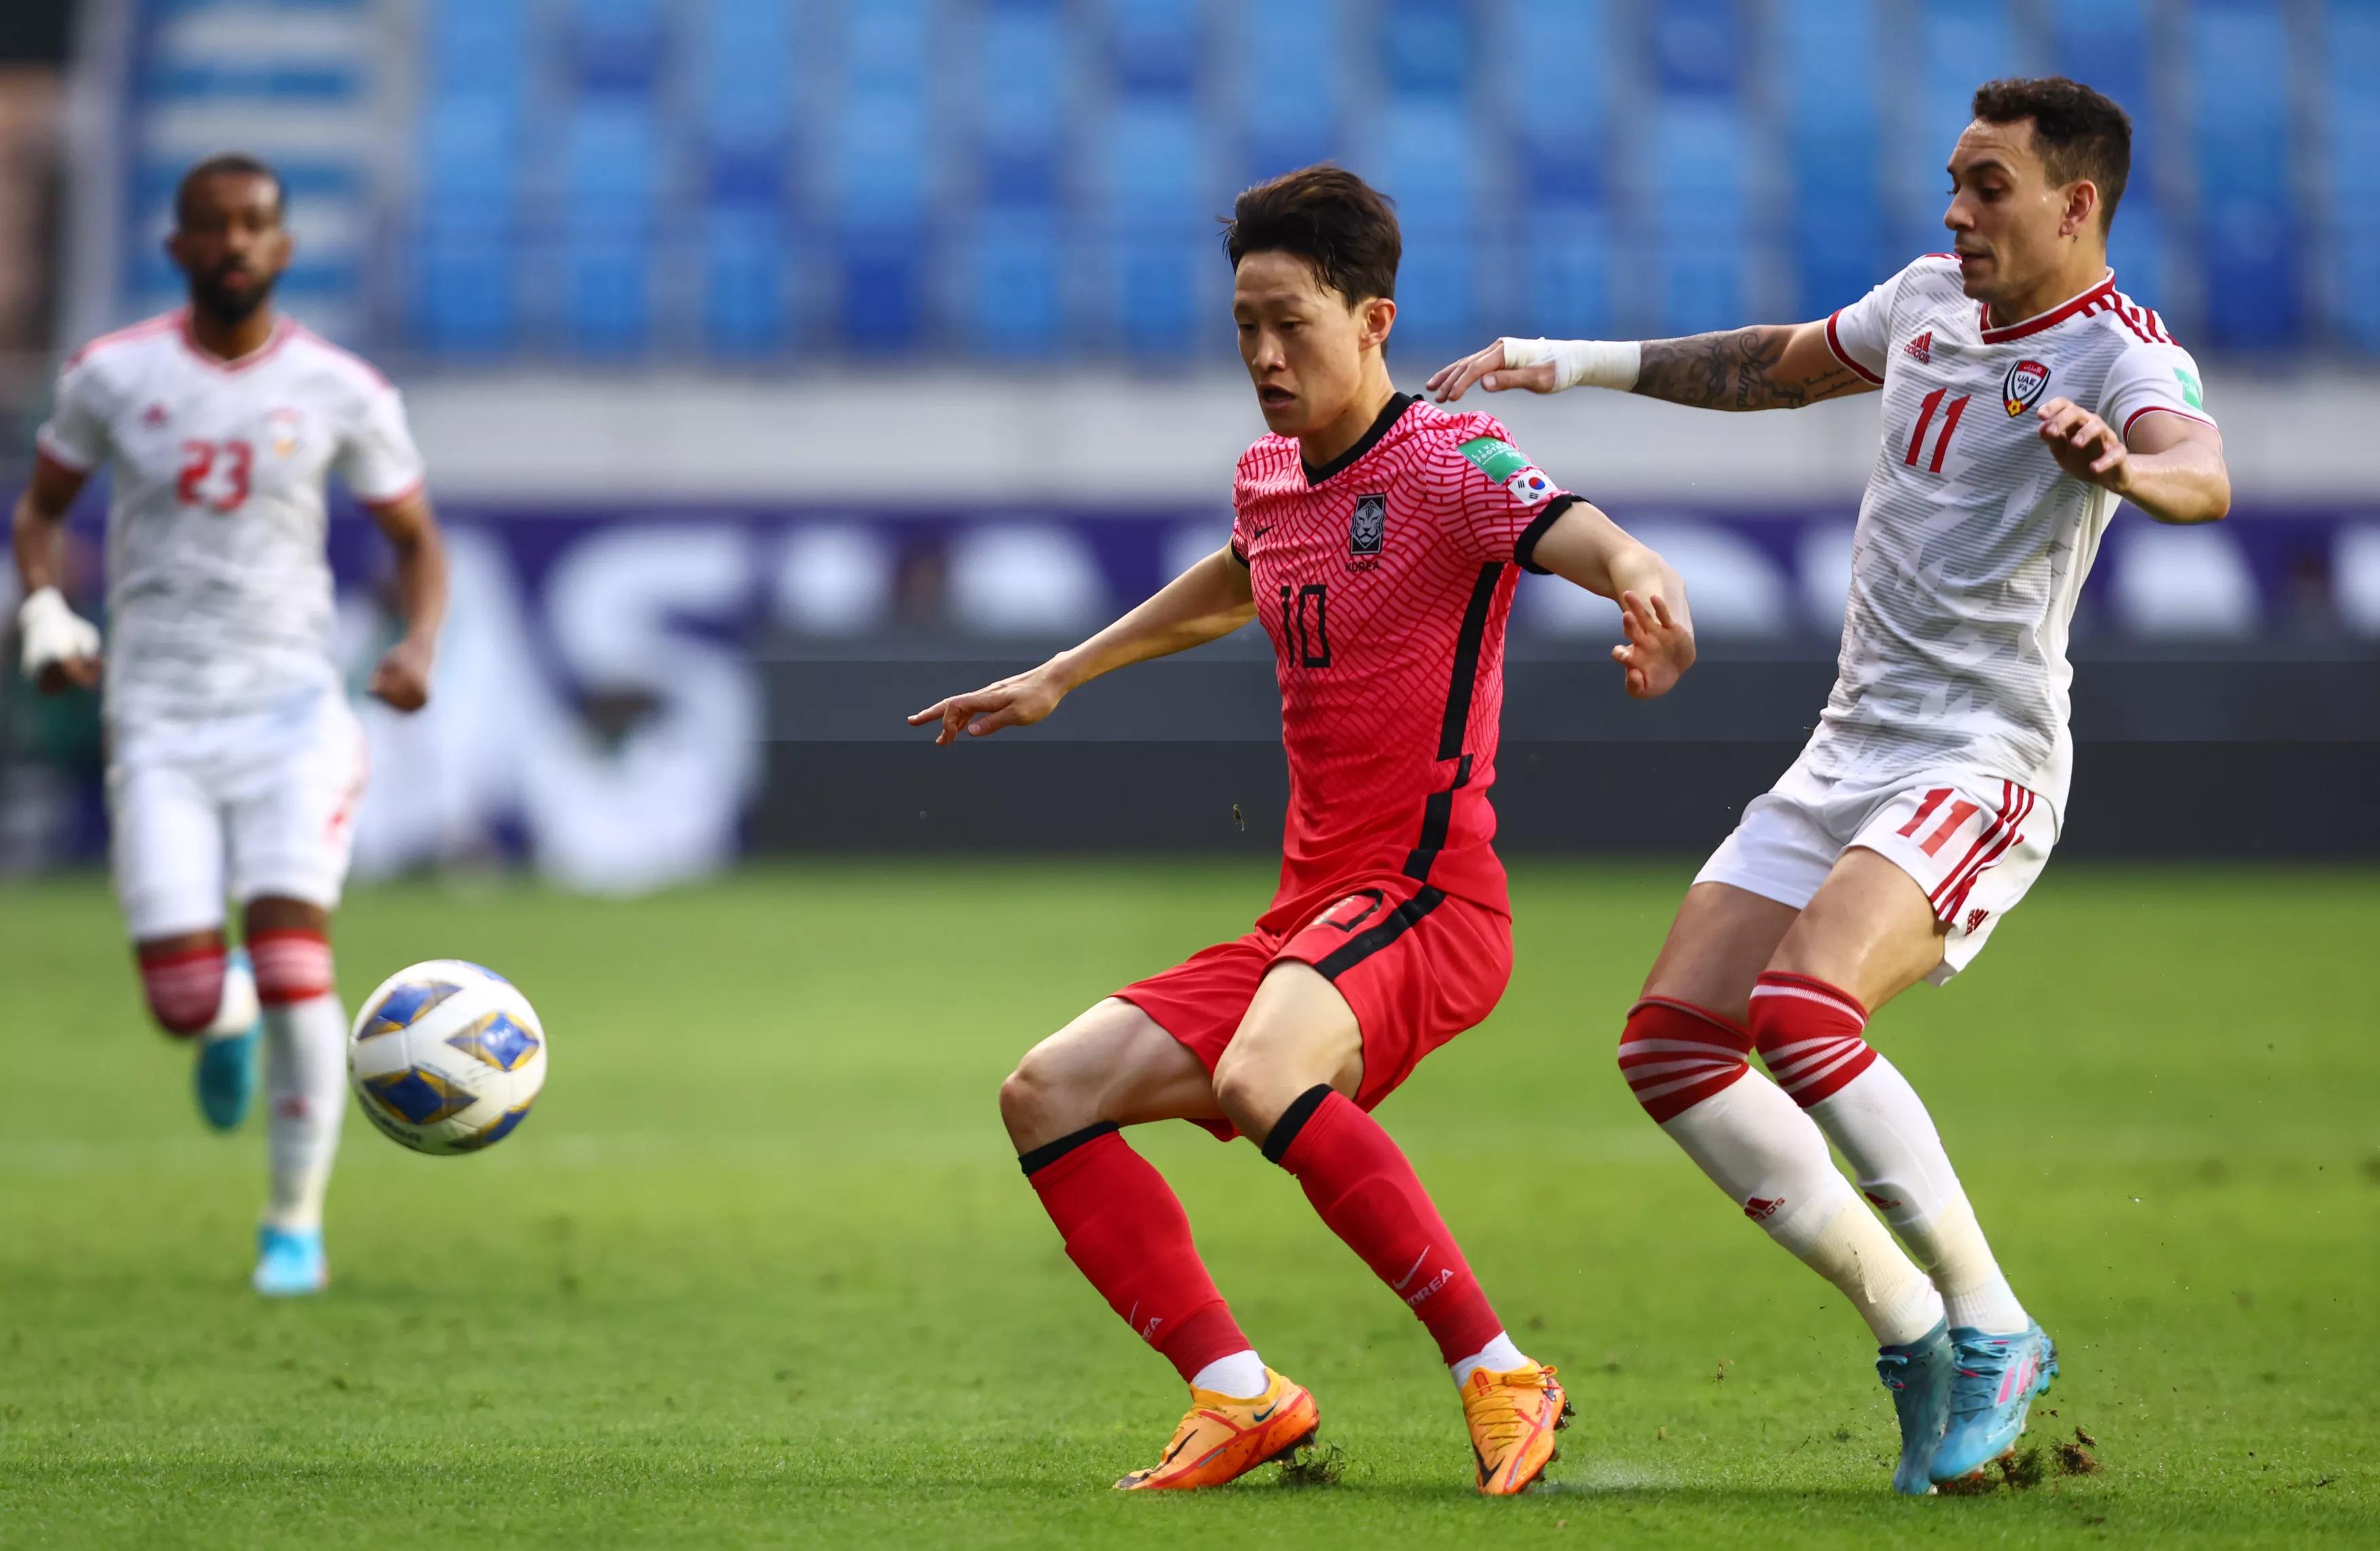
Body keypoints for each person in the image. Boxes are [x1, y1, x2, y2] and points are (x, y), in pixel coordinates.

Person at [1428, 76, 2230, 1492]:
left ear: (2075, 204)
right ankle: (1913, 1326)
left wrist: (2126, 467)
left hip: (1979, 758)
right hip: (1848, 747)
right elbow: (1777, 366)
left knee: (1803, 1012)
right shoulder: (1925, 299)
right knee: (1671, 1048)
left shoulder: (2119, 354)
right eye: (1954, 181)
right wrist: (1568, 361)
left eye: (1987, 185)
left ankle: (1994, 1324)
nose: (1955, 209)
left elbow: (2201, 471)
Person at [913, 165, 1697, 1495]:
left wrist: (1646, 589)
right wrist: (1062, 673)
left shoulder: (1450, 463)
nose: (1265, 357)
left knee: (1262, 1073)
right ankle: (1240, 1395)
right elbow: (1240, 576)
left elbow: (1589, 536)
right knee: (1046, 1093)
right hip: (1313, 918)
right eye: (1245, 328)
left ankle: (1500, 1367)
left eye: (1292, 324)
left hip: (1430, 901)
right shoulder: (1271, 475)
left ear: (1373, 321)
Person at [10, 153, 449, 1296]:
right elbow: (41, 513)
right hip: (156, 714)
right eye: (214, 225)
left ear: (285, 246)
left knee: (302, 964)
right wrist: (45, 608)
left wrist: (416, 642)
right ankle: (225, 1007)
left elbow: (415, 540)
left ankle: (292, 1225)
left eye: (256, 224)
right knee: (182, 1002)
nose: (236, 242)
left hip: (291, 712)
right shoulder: (113, 375)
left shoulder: (341, 389)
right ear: (179, 247)